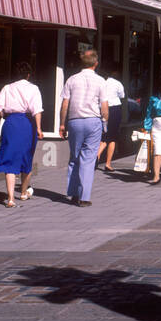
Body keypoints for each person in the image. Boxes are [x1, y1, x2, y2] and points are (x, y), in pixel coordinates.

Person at [59, 49, 108, 207]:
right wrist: (105, 121)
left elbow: (65, 103)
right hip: (93, 121)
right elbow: (104, 105)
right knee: (88, 158)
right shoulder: (101, 81)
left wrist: (62, 123)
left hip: (75, 120)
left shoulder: (72, 79)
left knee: (74, 157)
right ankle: (84, 196)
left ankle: (73, 193)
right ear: (96, 64)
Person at [0, 62, 44, 207]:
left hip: (11, 123)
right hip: (26, 123)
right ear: (28, 74)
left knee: (9, 157)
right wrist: (39, 128)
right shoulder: (33, 88)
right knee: (27, 157)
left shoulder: (7, 88)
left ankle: (10, 199)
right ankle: (22, 192)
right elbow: (37, 110)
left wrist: (5, 114)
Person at [98, 69, 125, 172]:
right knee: (112, 137)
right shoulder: (116, 82)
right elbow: (122, 95)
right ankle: (108, 163)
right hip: (114, 108)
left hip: (101, 108)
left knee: (104, 135)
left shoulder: (99, 83)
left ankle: (97, 156)